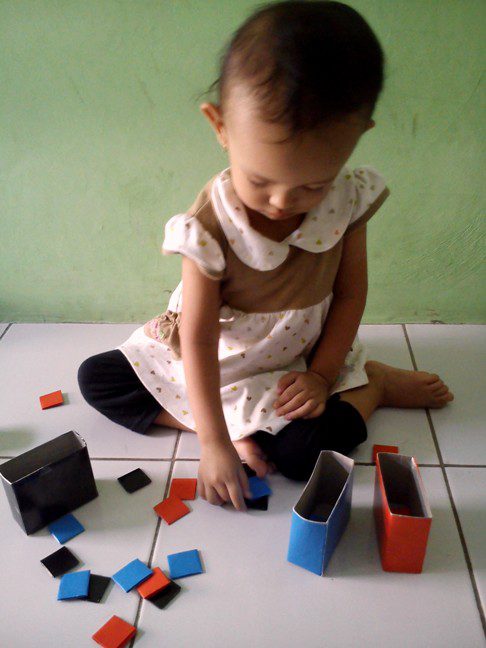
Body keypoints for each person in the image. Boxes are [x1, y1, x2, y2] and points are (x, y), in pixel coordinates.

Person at [78, 1, 454, 512]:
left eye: (313, 186)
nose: (281, 203)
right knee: (98, 379)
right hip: (218, 358)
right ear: (220, 126)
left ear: (357, 136)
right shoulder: (207, 228)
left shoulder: (350, 199)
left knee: (301, 458)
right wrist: (214, 443)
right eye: (260, 180)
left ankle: (375, 385)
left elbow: (350, 294)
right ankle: (233, 431)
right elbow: (198, 337)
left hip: (299, 359)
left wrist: (322, 376)